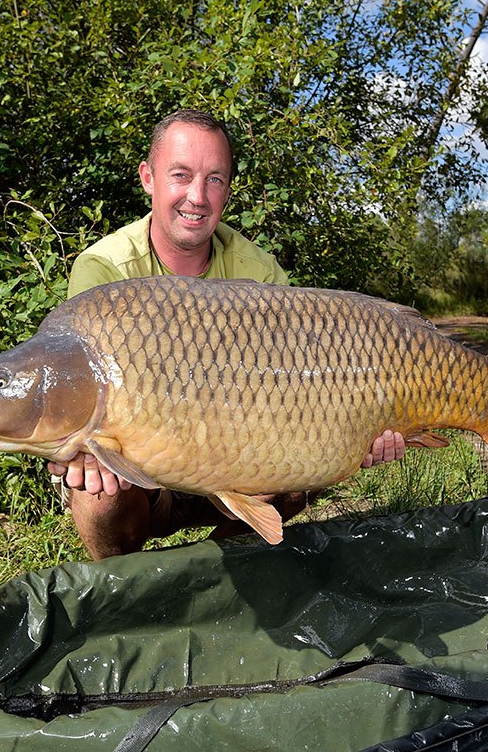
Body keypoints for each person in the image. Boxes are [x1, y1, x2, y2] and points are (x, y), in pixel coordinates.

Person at [48, 109, 405, 559]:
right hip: (139, 474)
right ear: (148, 177)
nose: (197, 196)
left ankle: (216, 579)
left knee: (295, 477)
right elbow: (74, 388)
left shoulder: (258, 272)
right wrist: (73, 444)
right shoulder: (105, 271)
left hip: (234, 458)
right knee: (97, 486)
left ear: (228, 189)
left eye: (214, 179)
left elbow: (304, 391)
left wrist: (362, 432)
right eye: (180, 175)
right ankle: (128, 594)